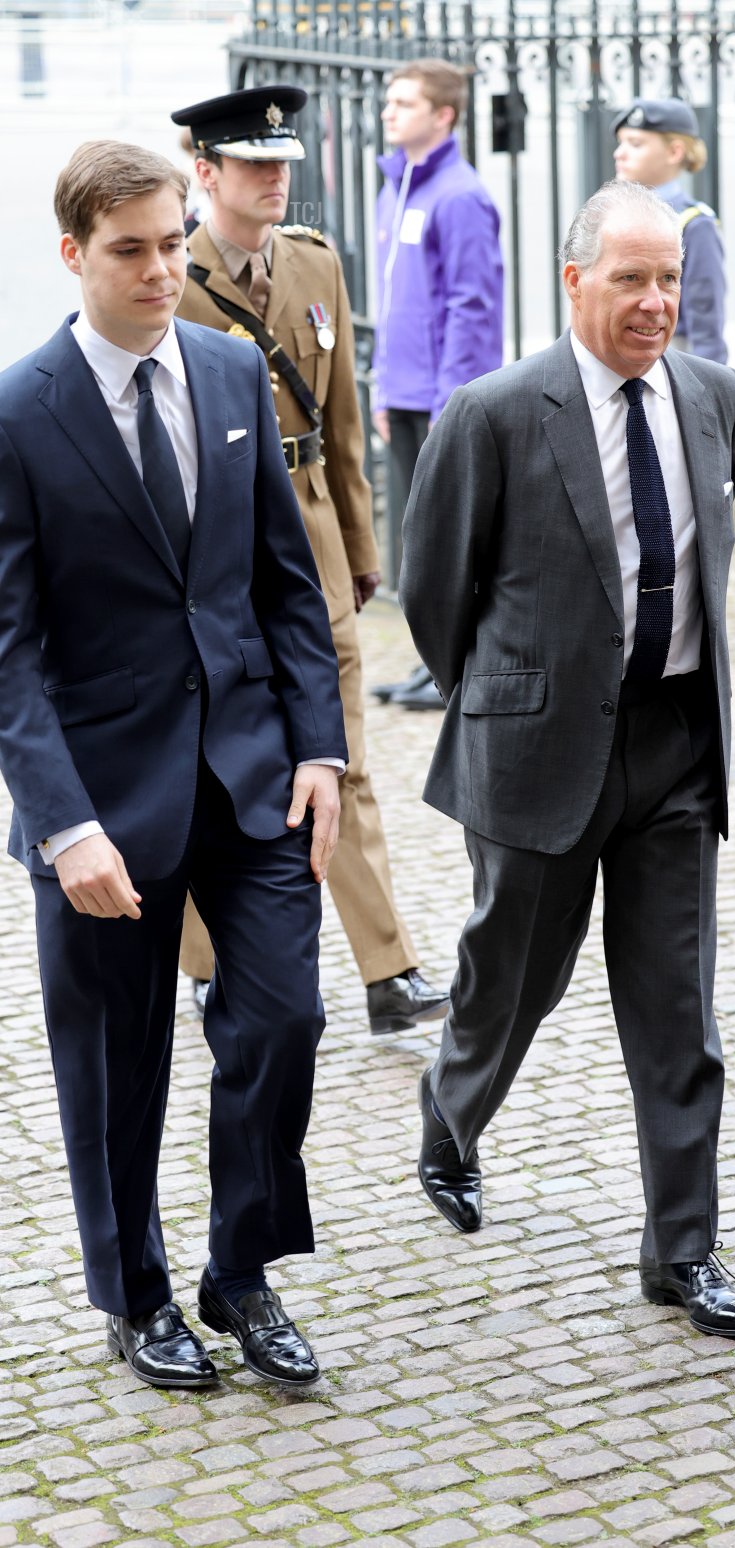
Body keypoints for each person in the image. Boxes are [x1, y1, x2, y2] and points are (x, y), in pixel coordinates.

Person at [0, 140, 348, 1388]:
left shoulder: (230, 366)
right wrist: (61, 826)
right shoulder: (16, 411)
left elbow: (284, 585)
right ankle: (135, 1295)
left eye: (170, 242)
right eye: (130, 250)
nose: (160, 269)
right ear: (73, 256)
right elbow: (10, 651)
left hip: (251, 774)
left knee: (288, 1019)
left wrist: (320, 747)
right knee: (115, 1064)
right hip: (97, 805)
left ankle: (238, 1274)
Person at [399, 180, 735, 1341]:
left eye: (670, 279)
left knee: (678, 1014)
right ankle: (451, 1117)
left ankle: (683, 1251)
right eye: (631, 280)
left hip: (673, 749)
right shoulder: (497, 411)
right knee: (510, 979)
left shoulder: (717, 395)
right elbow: (431, 591)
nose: (658, 302)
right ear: (574, 281)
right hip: (537, 749)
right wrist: (505, 697)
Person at [170, 85, 450, 1035]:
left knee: (345, 759)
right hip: (214, 550)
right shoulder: (175, 275)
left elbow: (340, 428)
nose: (275, 179)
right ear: (205, 173)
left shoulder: (317, 265)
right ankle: (209, 965)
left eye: (283, 163)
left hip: (315, 539)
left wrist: (364, 552)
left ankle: (387, 969)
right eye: (254, 164)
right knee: (214, 759)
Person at [371, 57, 504, 712]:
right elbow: (391, 300)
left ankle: (450, 667)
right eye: (388, 101)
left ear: (443, 115)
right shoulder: (393, 188)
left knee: (449, 540)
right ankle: (427, 663)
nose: (388, 111)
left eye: (404, 102)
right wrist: (380, 389)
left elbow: (472, 306)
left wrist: (454, 398)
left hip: (441, 398)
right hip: (401, 392)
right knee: (415, 541)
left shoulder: (461, 195)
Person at [611, 97, 727, 363]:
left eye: (635, 143)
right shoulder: (613, 214)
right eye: (621, 142)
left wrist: (706, 392)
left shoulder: (694, 223)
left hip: (669, 359)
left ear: (674, 152)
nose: (620, 153)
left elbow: (706, 322)